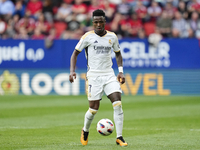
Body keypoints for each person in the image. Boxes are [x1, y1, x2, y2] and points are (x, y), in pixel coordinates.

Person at [69, 9, 128, 147]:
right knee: (93, 109)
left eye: (101, 21)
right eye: (95, 22)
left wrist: (120, 71)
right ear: (92, 22)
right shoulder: (87, 37)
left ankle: (119, 137)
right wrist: (72, 71)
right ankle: (85, 131)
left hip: (109, 74)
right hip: (93, 76)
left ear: (105, 22)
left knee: (117, 102)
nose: (98, 24)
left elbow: (118, 54)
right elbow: (74, 54)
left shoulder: (112, 37)